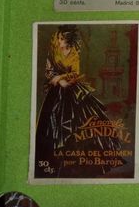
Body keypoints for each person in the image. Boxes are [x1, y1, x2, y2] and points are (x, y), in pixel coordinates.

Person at [34, 25, 122, 177]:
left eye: (62, 39)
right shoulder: (54, 50)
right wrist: (57, 80)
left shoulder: (74, 52)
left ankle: (76, 163)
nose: (59, 41)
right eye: (59, 38)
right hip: (55, 91)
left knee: (81, 120)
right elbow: (49, 71)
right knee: (51, 122)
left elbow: (75, 73)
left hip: (72, 88)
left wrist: (61, 78)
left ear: (68, 40)